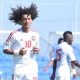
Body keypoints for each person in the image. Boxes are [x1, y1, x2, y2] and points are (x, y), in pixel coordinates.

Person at [3, 3, 40, 80]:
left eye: (29, 19)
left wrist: (37, 50)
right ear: (20, 21)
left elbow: (37, 50)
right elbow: (5, 49)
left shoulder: (36, 35)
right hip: (18, 71)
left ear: (32, 20)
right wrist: (17, 52)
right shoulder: (14, 34)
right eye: (24, 19)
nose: (27, 21)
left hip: (32, 70)